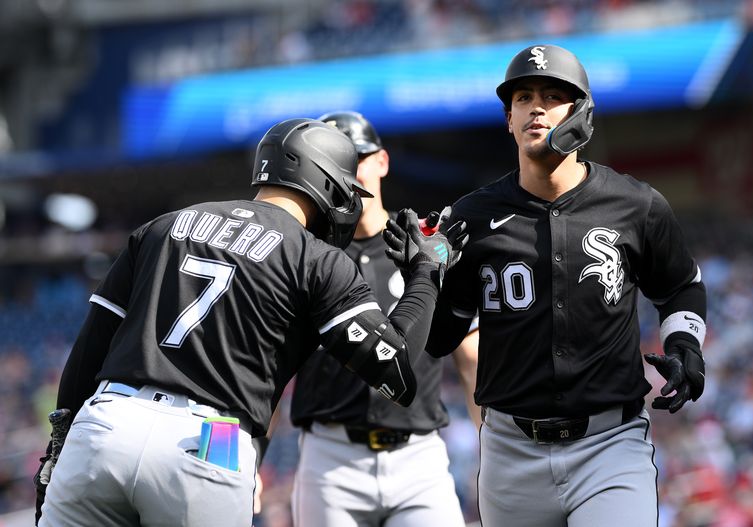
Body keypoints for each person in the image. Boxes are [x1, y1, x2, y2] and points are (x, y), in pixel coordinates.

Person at [34, 117, 467, 527]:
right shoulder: (314, 257)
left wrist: (59, 446)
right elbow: (396, 366)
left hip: (108, 419)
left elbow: (89, 347)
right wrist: (426, 274)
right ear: (327, 181)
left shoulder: (164, 226)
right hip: (212, 438)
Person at [405, 44, 707, 526]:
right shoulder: (471, 216)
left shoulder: (636, 204)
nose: (536, 107)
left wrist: (686, 344)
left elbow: (680, 287)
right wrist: (424, 277)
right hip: (510, 452)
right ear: (509, 119)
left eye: (552, 95)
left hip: (610, 443)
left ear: (581, 113)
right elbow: (442, 338)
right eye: (523, 98)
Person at [288, 111, 479, 527]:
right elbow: (270, 362)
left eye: (356, 157)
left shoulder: (426, 244)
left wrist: (491, 447)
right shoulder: (302, 254)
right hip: (330, 457)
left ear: (382, 161)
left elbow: (470, 356)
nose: (347, 171)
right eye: (332, 161)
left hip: (419, 458)